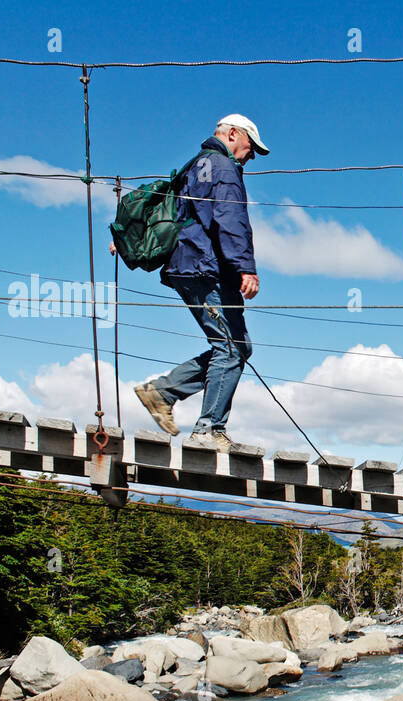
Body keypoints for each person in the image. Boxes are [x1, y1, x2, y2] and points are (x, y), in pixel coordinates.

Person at [131, 114, 270, 452]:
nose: (250, 156)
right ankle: (208, 430)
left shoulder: (194, 165)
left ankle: (163, 392)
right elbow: (230, 218)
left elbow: (168, 211)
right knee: (232, 347)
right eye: (251, 148)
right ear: (234, 134)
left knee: (236, 347)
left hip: (185, 266)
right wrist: (245, 267)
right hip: (204, 267)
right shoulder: (222, 167)